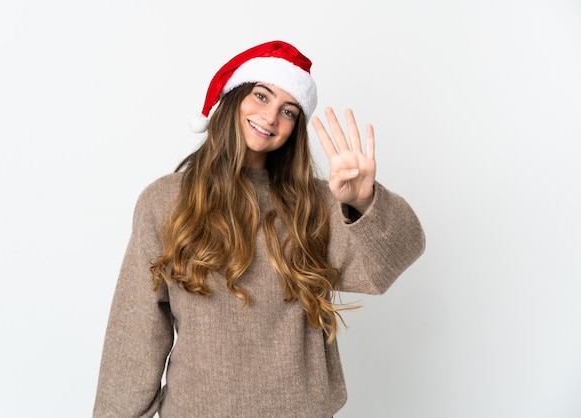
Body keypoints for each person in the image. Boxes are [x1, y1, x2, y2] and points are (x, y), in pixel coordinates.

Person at [93, 40, 425, 418]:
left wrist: (364, 202)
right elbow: (136, 335)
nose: (270, 117)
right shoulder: (166, 201)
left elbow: (393, 258)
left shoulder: (315, 204)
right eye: (261, 96)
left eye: (288, 110)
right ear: (234, 97)